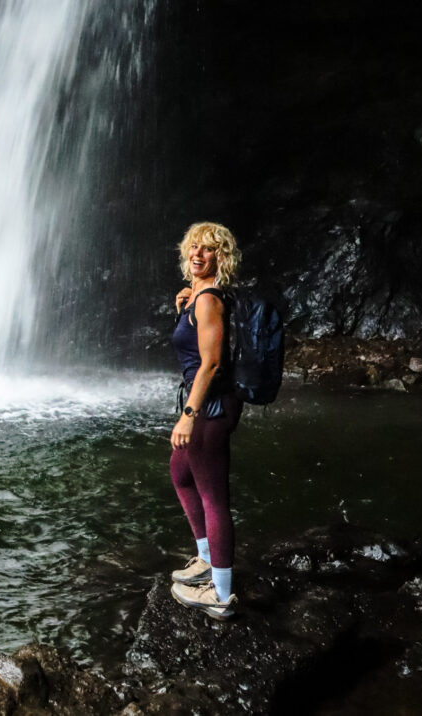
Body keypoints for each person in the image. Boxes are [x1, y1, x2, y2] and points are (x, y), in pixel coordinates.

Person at [168, 221, 242, 620]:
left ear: (221, 256)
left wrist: (188, 416)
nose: (198, 253)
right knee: (181, 473)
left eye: (208, 248)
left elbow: (210, 363)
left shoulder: (209, 300)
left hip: (211, 409)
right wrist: (184, 307)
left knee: (213, 496)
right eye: (194, 246)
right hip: (207, 406)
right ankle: (206, 560)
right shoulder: (197, 297)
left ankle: (222, 594)